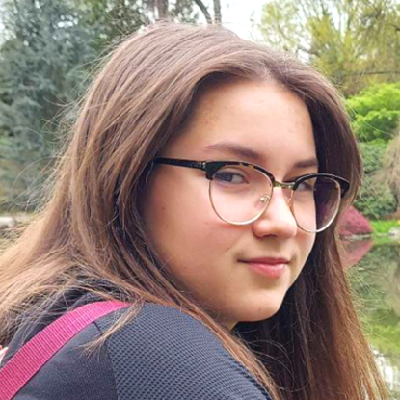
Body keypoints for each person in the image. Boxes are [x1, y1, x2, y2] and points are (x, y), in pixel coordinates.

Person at [0, 22, 389, 399]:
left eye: (302, 184)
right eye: (231, 175)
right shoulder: (155, 357)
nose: (284, 223)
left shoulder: (53, 324)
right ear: (127, 180)